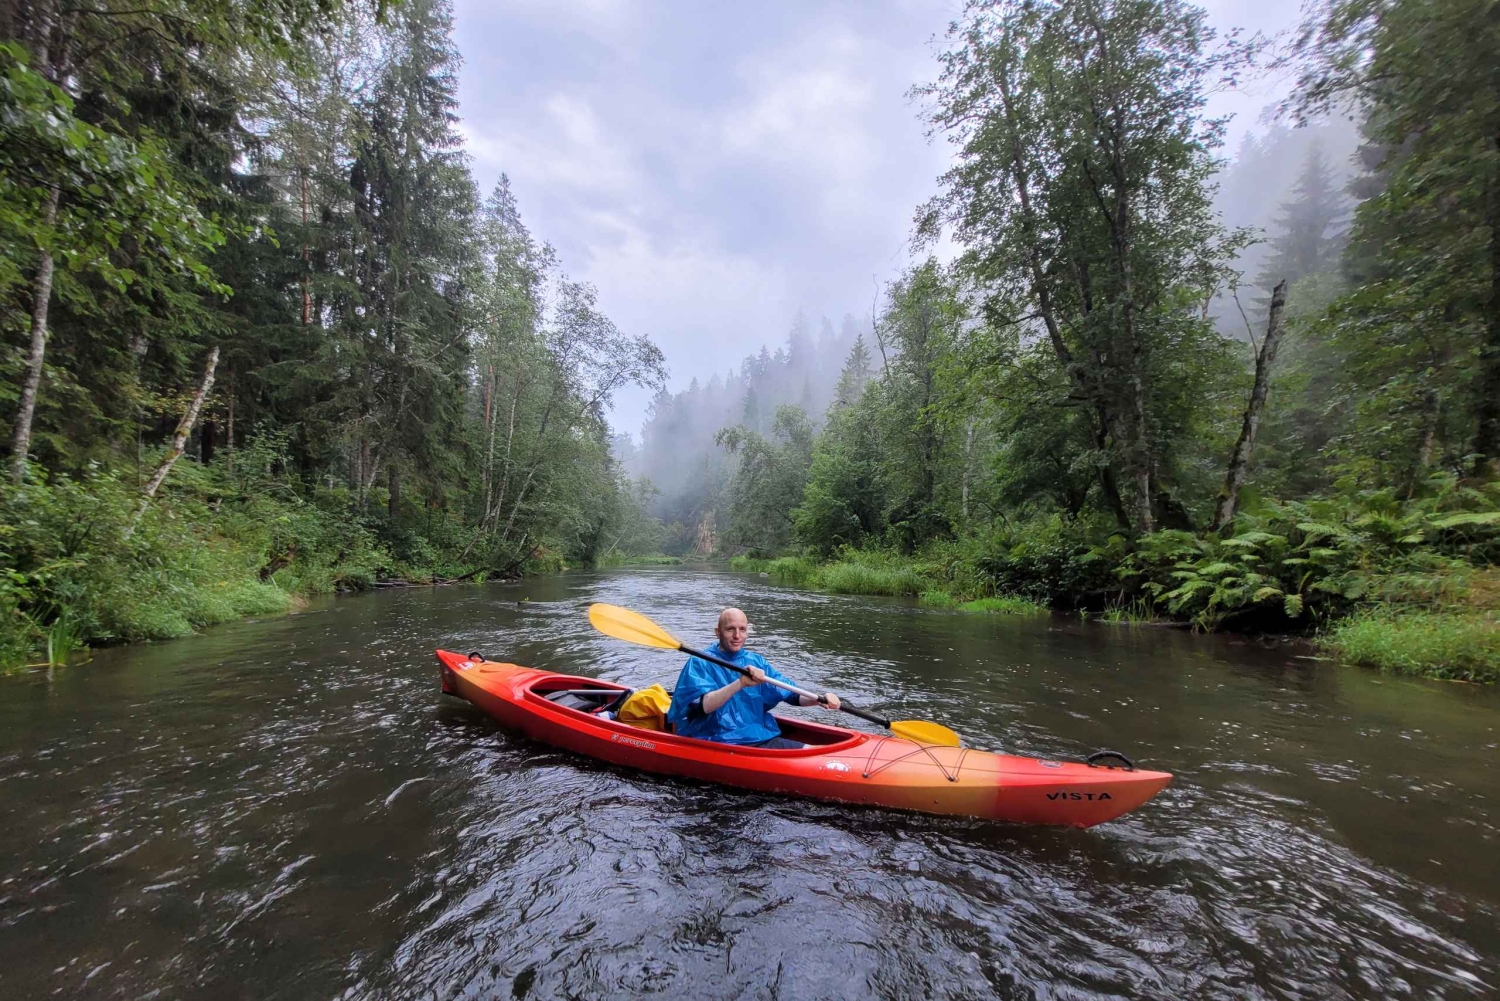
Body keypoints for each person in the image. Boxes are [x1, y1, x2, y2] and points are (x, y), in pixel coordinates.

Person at [666, 607, 840, 748]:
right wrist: (740, 683)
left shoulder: (756, 662)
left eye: (742, 629)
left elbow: (791, 695)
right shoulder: (700, 662)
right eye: (730, 629)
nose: (737, 636)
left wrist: (819, 699)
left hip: (757, 735)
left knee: (816, 751)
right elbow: (700, 707)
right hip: (716, 739)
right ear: (717, 632)